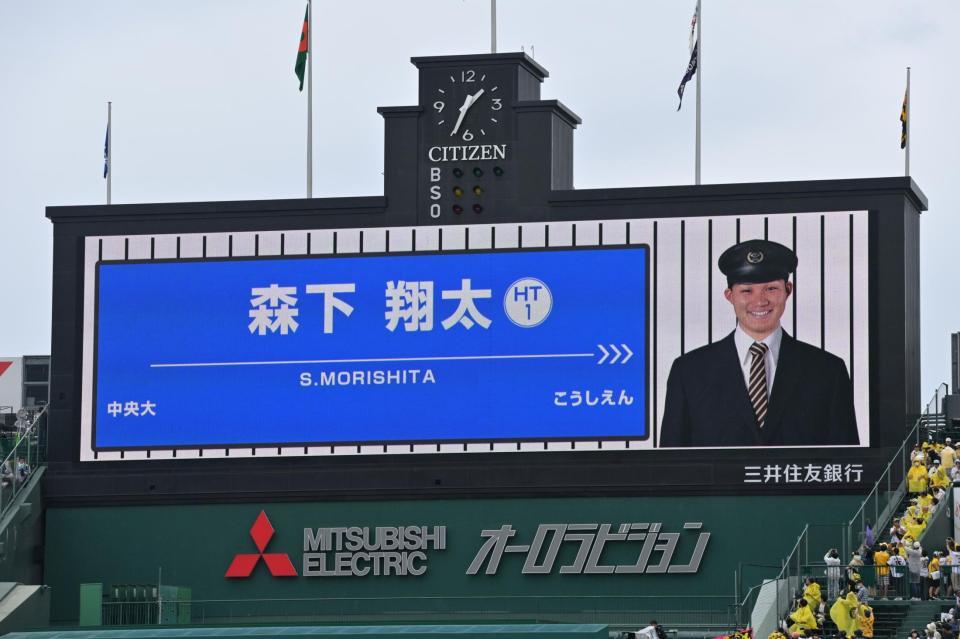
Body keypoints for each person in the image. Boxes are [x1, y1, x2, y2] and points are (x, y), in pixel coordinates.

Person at [660, 240, 859, 447]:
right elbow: (670, 468)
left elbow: (848, 466)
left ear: (788, 291)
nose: (760, 301)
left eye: (771, 289)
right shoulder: (689, 372)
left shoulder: (827, 371)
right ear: (730, 296)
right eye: (747, 291)